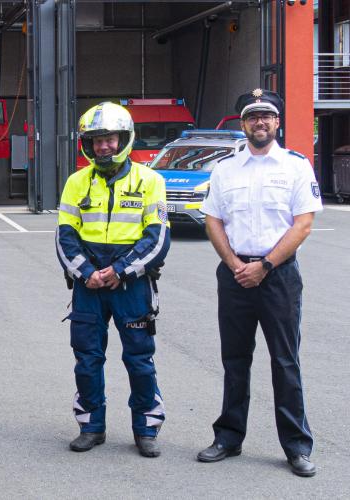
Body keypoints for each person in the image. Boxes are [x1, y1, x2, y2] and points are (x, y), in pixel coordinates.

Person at [197, 89, 322, 477]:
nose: (260, 122)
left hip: (279, 276)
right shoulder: (225, 169)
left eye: (267, 116)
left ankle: (297, 447)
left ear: (277, 122)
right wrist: (235, 263)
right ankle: (228, 438)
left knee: (285, 361)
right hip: (235, 274)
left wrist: (265, 265)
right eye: (253, 117)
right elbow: (213, 220)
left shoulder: (296, 167)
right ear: (243, 123)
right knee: (235, 361)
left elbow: (303, 223)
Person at [56, 102, 170, 458]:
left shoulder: (150, 180)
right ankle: (91, 426)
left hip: (131, 284)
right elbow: (64, 236)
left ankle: (146, 428)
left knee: (139, 358)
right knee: (87, 358)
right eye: (96, 141)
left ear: (124, 138)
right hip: (88, 285)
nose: (103, 146)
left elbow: (157, 240)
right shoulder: (76, 182)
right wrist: (87, 273)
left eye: (109, 139)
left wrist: (119, 271)